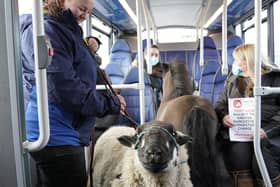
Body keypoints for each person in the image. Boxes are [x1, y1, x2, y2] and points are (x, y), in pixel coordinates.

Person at [20, 0, 126, 186]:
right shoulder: (52, 31)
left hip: (63, 128)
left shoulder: (66, 30)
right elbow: (67, 90)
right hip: (56, 132)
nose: (85, 15)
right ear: (61, 2)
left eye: (89, 11)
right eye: (82, 9)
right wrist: (111, 103)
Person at [215, 44, 280, 187]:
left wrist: (266, 131)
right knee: (237, 157)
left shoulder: (276, 79)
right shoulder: (233, 80)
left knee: (262, 161)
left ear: (248, 61)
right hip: (239, 132)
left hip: (270, 133)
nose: (235, 64)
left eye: (238, 60)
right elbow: (220, 104)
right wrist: (224, 116)